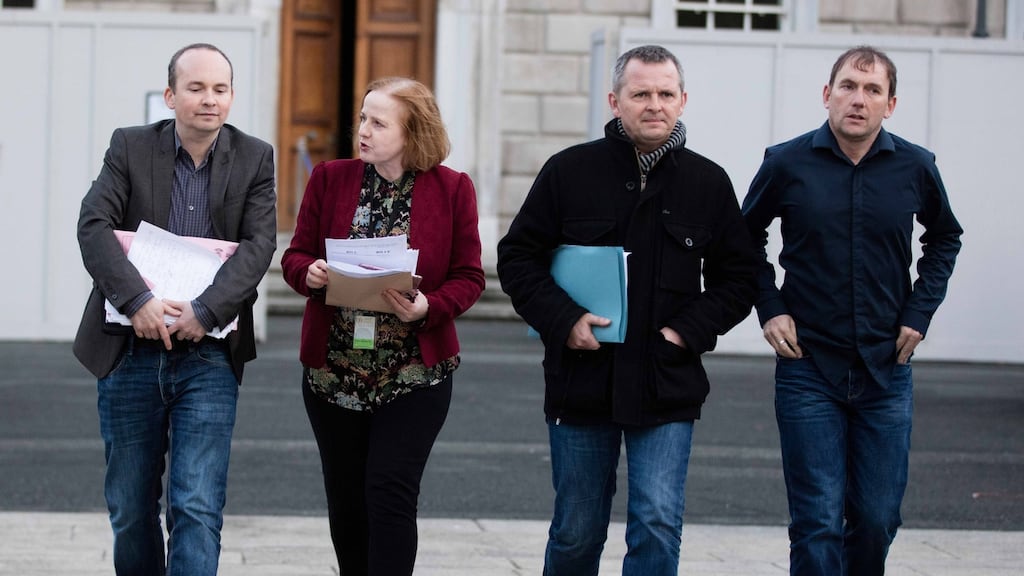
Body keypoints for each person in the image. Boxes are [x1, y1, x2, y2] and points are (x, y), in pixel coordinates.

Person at [496, 45, 758, 576]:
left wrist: (685, 332)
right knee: (576, 530)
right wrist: (564, 319)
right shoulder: (568, 171)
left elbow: (739, 278)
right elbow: (517, 258)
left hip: (667, 382)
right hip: (581, 379)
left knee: (657, 523)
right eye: (641, 94)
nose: (654, 104)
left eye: (665, 93)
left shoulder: (708, 183)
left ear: (683, 100)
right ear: (615, 102)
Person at [741, 45, 963, 575]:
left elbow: (945, 238)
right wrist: (770, 306)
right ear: (827, 94)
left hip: (886, 367)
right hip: (808, 366)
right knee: (817, 520)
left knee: (876, 517)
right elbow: (743, 238)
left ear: (891, 104)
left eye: (872, 90)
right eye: (847, 86)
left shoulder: (916, 166)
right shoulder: (786, 163)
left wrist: (920, 312)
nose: (858, 99)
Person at [74, 43, 277, 575]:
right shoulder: (130, 146)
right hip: (130, 352)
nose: (210, 99)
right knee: (131, 509)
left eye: (220, 89)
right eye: (196, 88)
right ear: (170, 96)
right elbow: (93, 225)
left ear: (231, 96)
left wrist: (206, 312)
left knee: (196, 505)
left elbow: (259, 245)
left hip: (208, 355)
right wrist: (137, 300)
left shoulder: (255, 156)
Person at [280, 76, 485, 575]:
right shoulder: (330, 178)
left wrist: (429, 307)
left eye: (378, 122)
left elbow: (469, 276)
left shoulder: (453, 188)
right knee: (347, 499)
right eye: (362, 119)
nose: (364, 131)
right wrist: (309, 272)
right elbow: (295, 255)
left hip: (413, 373)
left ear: (413, 132)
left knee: (390, 492)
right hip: (334, 373)